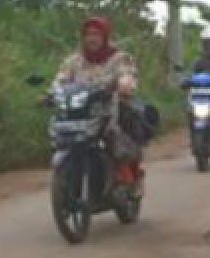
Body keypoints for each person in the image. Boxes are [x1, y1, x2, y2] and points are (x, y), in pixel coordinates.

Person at [53, 17, 145, 195]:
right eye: (87, 34)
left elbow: (127, 74)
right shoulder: (74, 61)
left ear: (105, 36)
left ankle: (131, 176)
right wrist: (52, 92)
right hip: (78, 113)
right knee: (61, 135)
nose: (91, 38)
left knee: (116, 136)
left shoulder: (119, 58)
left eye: (96, 34)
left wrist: (125, 83)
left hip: (108, 109)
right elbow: (60, 79)